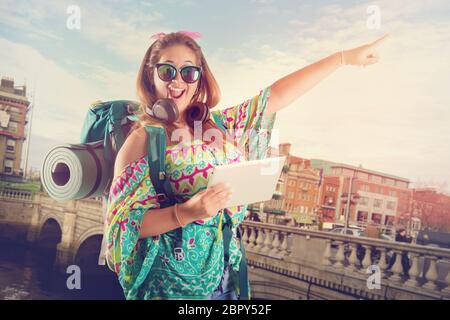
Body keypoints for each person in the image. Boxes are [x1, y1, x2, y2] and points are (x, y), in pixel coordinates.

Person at [105, 31, 388, 300]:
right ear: (150, 75)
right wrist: (188, 212)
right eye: (167, 70)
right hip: (170, 283)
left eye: (188, 72)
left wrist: (342, 58)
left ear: (199, 80)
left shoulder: (219, 125)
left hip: (226, 272)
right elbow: (121, 226)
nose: (177, 81)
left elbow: (274, 97)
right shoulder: (142, 140)